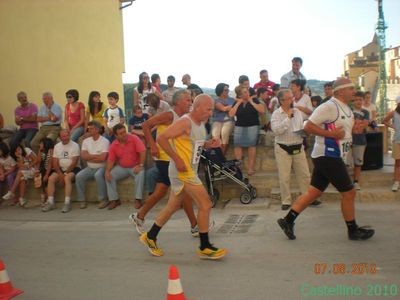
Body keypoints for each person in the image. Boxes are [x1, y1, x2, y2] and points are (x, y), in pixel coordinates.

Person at [277, 77, 375, 241]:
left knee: (313, 192)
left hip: (330, 155)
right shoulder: (329, 106)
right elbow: (308, 126)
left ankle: (287, 220)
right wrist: (331, 134)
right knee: (349, 192)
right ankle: (353, 230)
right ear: (341, 91)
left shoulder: (347, 109)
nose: (354, 91)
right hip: (328, 155)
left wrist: (358, 127)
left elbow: (346, 132)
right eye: (351, 88)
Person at [139, 94, 227, 260]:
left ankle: (150, 236)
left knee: (172, 206)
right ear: (198, 106)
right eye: (208, 109)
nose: (210, 113)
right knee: (205, 204)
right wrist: (177, 159)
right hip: (182, 171)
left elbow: (196, 144)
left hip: (189, 170)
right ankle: (205, 246)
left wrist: (209, 144)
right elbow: (162, 138)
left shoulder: (200, 124)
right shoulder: (185, 121)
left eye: (211, 110)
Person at [129, 89, 198, 235]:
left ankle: (139, 216)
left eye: (191, 100)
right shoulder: (169, 115)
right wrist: (152, 145)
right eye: (187, 100)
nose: (190, 103)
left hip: (173, 159)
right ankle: (194, 225)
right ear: (178, 101)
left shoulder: (185, 117)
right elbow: (146, 125)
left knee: (160, 192)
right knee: (183, 192)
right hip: (164, 158)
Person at [271, 89, 311, 210]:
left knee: (304, 175)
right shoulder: (276, 114)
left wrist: (305, 131)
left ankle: (307, 198)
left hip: (298, 146)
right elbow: (277, 130)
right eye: (289, 98)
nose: (292, 100)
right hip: (283, 147)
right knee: (284, 176)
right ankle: (286, 201)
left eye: (292, 97)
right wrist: (288, 118)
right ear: (282, 101)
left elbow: (302, 124)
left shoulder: (297, 112)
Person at [104, 123, 145, 210]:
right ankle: (114, 200)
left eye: (124, 132)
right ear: (116, 135)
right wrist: (107, 171)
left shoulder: (134, 138)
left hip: (135, 166)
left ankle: (138, 199)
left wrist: (140, 165)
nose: (124, 135)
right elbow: (111, 160)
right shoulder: (113, 145)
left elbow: (143, 151)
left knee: (141, 173)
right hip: (122, 167)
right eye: (121, 133)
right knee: (109, 175)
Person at [229, 85, 264, 176]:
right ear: (240, 95)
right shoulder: (237, 102)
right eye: (244, 92)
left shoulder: (255, 100)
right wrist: (238, 103)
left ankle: (250, 168)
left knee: (251, 146)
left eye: (247, 91)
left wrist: (251, 102)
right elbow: (231, 114)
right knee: (237, 146)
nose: (247, 93)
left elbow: (261, 111)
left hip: (252, 125)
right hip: (239, 126)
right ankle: (238, 168)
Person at [42, 129, 80, 213]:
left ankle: (67, 203)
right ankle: (51, 202)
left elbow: (74, 162)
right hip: (61, 169)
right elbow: (55, 162)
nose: (65, 138)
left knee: (67, 178)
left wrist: (65, 174)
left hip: (73, 169)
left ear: (69, 135)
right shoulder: (57, 146)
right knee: (51, 179)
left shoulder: (75, 145)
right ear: (60, 137)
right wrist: (60, 174)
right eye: (63, 136)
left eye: (66, 135)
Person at [75, 121, 109, 208]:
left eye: (91, 128)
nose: (89, 130)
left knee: (98, 175)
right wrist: (96, 156)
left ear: (97, 130)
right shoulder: (86, 141)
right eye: (88, 128)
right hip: (90, 167)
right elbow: (83, 156)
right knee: (79, 176)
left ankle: (103, 200)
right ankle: (81, 200)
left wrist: (89, 157)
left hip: (102, 167)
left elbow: (102, 158)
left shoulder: (105, 141)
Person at [351, 91, 370, 190]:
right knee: (344, 162)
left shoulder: (366, 112)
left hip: (360, 140)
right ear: (353, 101)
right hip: (348, 140)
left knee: (358, 163)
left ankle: (356, 182)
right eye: (356, 100)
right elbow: (347, 124)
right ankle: (344, 183)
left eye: (360, 100)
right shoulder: (348, 110)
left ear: (363, 101)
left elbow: (365, 125)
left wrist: (355, 124)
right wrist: (357, 123)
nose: (358, 101)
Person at [211, 83, 235, 155]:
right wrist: (232, 106)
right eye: (225, 90)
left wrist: (230, 107)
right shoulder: (216, 100)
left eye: (228, 89)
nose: (227, 91)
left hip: (229, 120)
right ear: (220, 91)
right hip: (218, 120)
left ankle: (221, 155)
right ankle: (217, 154)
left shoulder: (232, 99)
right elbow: (223, 109)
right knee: (215, 135)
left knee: (224, 133)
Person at [383, 96, 400, 191]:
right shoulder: (393, 113)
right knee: (398, 163)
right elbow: (384, 120)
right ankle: (396, 182)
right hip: (397, 141)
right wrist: (392, 126)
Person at [35, 138, 54, 206]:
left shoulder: (51, 151)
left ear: (46, 144)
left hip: (50, 170)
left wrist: (47, 174)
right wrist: (37, 170)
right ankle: (44, 197)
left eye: (41, 143)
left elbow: (50, 164)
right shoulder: (41, 151)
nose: (39, 145)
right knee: (40, 180)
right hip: (43, 169)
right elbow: (39, 161)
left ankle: (48, 198)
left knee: (46, 181)